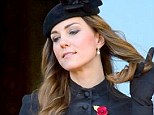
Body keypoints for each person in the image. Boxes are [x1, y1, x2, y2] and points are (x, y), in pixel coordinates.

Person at [19, 0, 154, 115]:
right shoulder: (35, 105)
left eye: (73, 31)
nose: (62, 42)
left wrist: (142, 105)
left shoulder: (130, 108)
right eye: (56, 38)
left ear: (99, 39)